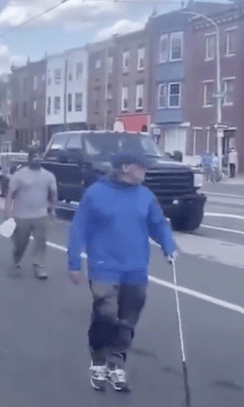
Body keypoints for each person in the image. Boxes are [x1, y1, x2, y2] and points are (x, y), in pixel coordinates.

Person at [68, 152, 178, 393]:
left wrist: (169, 246)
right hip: (104, 266)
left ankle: (117, 363)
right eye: (142, 167)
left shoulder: (145, 196)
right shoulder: (96, 193)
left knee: (128, 319)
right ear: (126, 168)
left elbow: (158, 224)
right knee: (105, 314)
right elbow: (79, 228)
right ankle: (98, 360)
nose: (145, 172)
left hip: (136, 268)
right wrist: (74, 263)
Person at [4, 149, 58, 279]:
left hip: (41, 214)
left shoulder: (48, 176)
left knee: (41, 241)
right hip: (22, 215)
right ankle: (16, 261)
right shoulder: (19, 175)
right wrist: (8, 212)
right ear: (29, 159)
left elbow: (53, 193)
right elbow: (10, 194)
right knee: (21, 243)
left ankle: (38, 266)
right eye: (34, 157)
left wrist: (53, 209)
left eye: (39, 157)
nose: (37, 159)